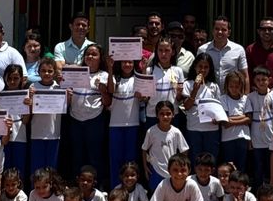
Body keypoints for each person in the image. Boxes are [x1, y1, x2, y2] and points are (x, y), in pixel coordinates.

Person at [66, 41, 108, 176]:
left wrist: (103, 91)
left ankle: (95, 183)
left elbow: (108, 102)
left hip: (94, 119)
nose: (90, 57)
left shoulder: (104, 75)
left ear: (100, 58)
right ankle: (77, 183)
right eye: (87, 54)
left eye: (94, 54)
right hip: (75, 119)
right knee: (76, 155)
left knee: (94, 155)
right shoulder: (75, 72)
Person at [105, 53, 146, 187]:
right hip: (115, 125)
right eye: (124, 62)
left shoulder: (137, 79)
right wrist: (110, 68)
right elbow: (110, 90)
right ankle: (116, 189)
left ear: (134, 64)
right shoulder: (115, 78)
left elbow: (144, 95)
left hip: (133, 124)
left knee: (130, 160)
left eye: (130, 62)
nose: (127, 65)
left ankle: (131, 189)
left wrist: (144, 69)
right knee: (115, 159)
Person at [28, 56, 66, 176]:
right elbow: (28, 110)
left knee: (51, 168)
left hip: (54, 133)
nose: (47, 74)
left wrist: (68, 95)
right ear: (38, 72)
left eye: (50, 71)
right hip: (37, 133)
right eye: (43, 71)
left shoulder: (59, 87)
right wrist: (30, 98)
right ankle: (35, 187)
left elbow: (66, 107)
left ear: (54, 72)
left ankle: (51, 187)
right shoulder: (33, 87)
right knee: (37, 167)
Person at [248, 65, 273, 188]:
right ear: (254, 81)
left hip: (271, 137)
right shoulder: (250, 97)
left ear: (269, 80)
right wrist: (249, 138)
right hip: (256, 138)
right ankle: (259, 192)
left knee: (271, 167)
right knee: (258, 168)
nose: (261, 82)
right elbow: (248, 119)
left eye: (264, 79)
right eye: (258, 80)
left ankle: (272, 192)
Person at [185, 52, 222, 165]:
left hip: (211, 129)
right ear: (195, 67)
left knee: (211, 160)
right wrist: (195, 89)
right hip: (194, 128)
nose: (202, 70)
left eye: (206, 67)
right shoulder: (188, 84)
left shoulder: (214, 86)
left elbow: (218, 107)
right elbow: (186, 106)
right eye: (200, 66)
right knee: (195, 159)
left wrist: (217, 119)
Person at [141, 100, 189, 190]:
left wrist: (180, 167)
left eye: (168, 114)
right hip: (155, 170)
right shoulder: (151, 131)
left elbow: (184, 150)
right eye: (162, 114)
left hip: (172, 172)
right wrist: (145, 168)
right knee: (155, 196)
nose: (165, 116)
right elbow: (144, 149)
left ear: (173, 114)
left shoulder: (176, 132)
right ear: (157, 115)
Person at [198, 17, 248, 89]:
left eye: (223, 30)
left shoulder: (239, 50)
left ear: (229, 32)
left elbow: (245, 76)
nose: (220, 32)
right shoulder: (202, 50)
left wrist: (245, 94)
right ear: (212, 31)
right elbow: (198, 73)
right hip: (208, 93)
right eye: (217, 29)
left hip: (231, 94)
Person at [219, 69, 252, 176]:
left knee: (241, 166)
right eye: (231, 86)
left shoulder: (245, 99)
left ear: (241, 86)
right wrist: (242, 117)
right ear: (227, 86)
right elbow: (225, 121)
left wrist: (231, 120)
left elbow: (249, 119)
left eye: (237, 86)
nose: (234, 89)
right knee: (229, 167)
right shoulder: (223, 99)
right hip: (228, 139)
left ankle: (240, 184)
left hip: (242, 137)